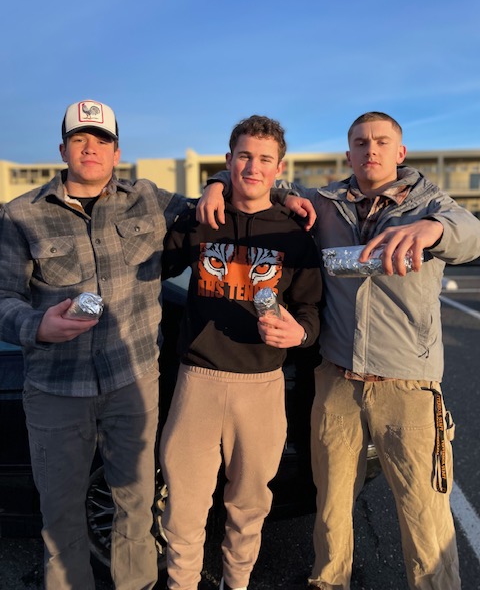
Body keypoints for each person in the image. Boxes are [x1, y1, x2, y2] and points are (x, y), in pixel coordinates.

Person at [198, 111, 480, 590]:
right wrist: (217, 183)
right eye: (360, 142)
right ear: (348, 153)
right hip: (335, 380)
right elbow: (259, 178)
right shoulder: (324, 203)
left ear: (400, 152)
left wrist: (432, 230)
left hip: (408, 385)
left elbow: (470, 235)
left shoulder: (432, 205)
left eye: (381, 141)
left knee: (424, 519)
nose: (370, 149)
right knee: (329, 512)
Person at [0, 99, 198, 590]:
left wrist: (220, 183)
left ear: (117, 152)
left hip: (133, 383)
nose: (91, 148)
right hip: (55, 389)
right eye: (80, 139)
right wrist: (35, 326)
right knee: (61, 513)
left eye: (102, 140)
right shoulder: (19, 216)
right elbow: (2, 296)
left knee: (136, 506)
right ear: (63, 149)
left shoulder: (148, 199)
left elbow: (216, 210)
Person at [160, 115, 323, 590]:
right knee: (184, 508)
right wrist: (204, 194)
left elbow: (311, 308)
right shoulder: (198, 218)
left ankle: (238, 583)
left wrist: (301, 335)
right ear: (228, 160)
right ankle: (182, 584)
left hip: (262, 386)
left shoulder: (295, 233)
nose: (254, 167)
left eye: (264, 159)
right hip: (198, 381)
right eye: (244, 156)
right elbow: (153, 268)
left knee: (249, 507)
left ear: (279, 167)